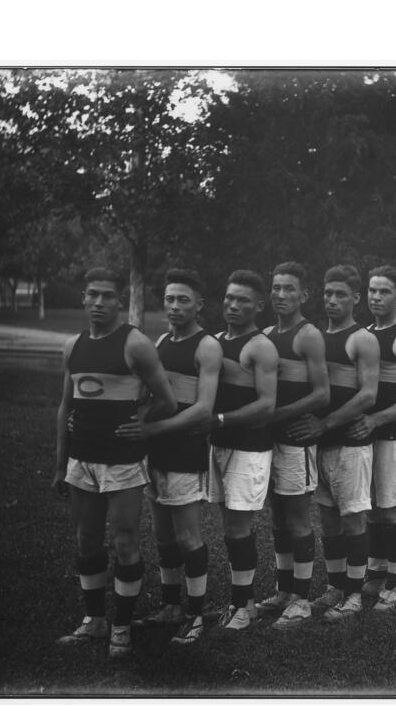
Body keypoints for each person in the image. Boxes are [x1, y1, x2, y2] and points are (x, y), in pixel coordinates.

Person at [53, 267, 176, 658]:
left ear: (120, 301)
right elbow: (65, 407)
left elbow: (167, 401)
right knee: (86, 540)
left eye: (107, 296)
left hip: (121, 463)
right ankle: (95, 621)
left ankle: (121, 627)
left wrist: (141, 425)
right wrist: (60, 464)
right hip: (82, 461)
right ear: (83, 298)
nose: (99, 303)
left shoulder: (135, 343)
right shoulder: (73, 345)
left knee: (125, 541)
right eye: (93, 295)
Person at [115, 269, 222, 645]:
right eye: (170, 299)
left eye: (183, 300)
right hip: (156, 451)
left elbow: (204, 409)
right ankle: (171, 606)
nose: (174, 307)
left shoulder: (206, 345)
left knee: (188, 534)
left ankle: (195, 616)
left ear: (199, 305)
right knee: (163, 535)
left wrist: (152, 429)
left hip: (185, 450)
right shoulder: (160, 340)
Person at [287, 264, 379, 622]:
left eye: (341, 294)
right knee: (329, 522)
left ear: (356, 298)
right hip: (319, 445)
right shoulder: (316, 337)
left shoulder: (362, 339)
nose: (333, 300)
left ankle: (355, 595)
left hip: (350, 445)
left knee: (353, 519)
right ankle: (336, 587)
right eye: (328, 293)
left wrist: (325, 423)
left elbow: (369, 395)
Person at [256, 262, 330, 629]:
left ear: (304, 295)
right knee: (278, 517)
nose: (280, 295)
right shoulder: (267, 333)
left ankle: (300, 600)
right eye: (276, 288)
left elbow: (322, 393)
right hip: (268, 441)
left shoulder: (308, 335)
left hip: (295, 442)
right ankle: (283, 591)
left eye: (289, 289)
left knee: (298, 518)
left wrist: (277, 413)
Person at [348, 265, 396, 613]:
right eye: (372, 291)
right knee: (374, 510)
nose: (376, 297)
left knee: (391, 509)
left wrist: (376, 418)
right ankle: (376, 573)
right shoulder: (365, 333)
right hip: (366, 433)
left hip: (393, 433)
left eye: (384, 292)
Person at [208, 270, 278, 631]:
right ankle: (237, 601)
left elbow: (267, 405)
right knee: (228, 526)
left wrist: (219, 419)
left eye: (243, 300)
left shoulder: (260, 346)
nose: (233, 305)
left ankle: (245, 606)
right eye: (229, 298)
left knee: (239, 526)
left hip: (248, 448)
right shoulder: (217, 341)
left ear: (259, 306)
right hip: (219, 446)